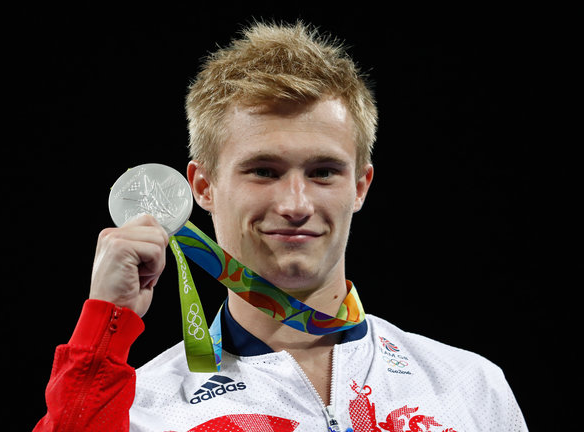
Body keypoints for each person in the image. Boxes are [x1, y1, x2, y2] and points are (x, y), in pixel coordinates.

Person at [34, 21, 528, 431]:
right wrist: (105, 328)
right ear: (201, 187)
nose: (296, 203)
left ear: (360, 186)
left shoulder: (469, 387)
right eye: (264, 171)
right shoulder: (143, 408)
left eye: (323, 172)